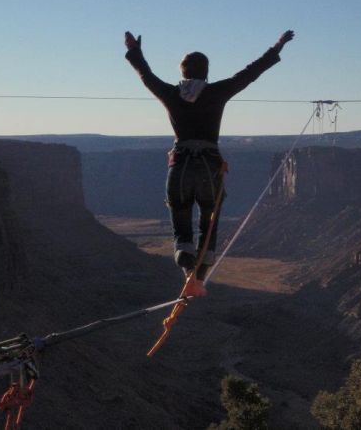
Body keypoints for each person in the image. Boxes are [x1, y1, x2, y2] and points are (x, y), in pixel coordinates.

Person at [124, 29, 294, 297]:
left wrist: (135, 52)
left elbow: (146, 76)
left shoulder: (170, 94)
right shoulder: (216, 92)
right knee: (208, 222)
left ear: (183, 73)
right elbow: (250, 73)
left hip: (179, 166)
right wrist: (278, 46)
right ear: (206, 73)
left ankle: (186, 267)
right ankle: (198, 280)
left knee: (180, 217)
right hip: (208, 167)